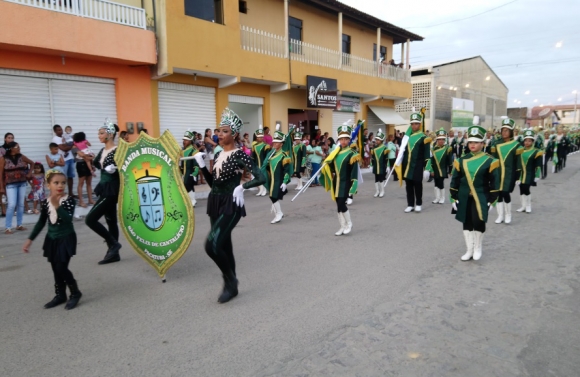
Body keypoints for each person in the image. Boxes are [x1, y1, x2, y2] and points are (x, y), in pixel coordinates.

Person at [194, 108, 266, 303]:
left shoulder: (240, 155)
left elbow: (262, 177)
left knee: (212, 245)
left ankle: (231, 280)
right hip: (215, 202)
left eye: (224, 131)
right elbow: (213, 184)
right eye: (218, 130)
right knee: (224, 245)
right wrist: (201, 165)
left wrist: (243, 188)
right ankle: (230, 285)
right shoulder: (217, 155)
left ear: (233, 134)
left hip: (231, 204)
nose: (219, 134)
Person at [22, 169, 82, 310]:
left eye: (63, 183)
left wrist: (57, 206)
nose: (60, 185)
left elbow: (68, 219)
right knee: (55, 269)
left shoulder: (69, 201)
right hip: (52, 239)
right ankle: (60, 295)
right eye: (56, 183)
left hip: (66, 238)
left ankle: (75, 292)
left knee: (61, 267)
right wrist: (30, 240)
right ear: (48, 185)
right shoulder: (45, 202)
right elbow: (41, 222)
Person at [450, 125, 499, 261]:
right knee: (466, 222)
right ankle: (469, 250)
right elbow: (455, 180)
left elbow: (494, 182)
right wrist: (453, 197)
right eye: (470, 142)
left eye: (476, 142)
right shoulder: (461, 160)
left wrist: (492, 200)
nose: (473, 145)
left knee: (478, 221)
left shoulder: (490, 161)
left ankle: (477, 247)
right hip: (464, 196)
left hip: (481, 196)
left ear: (483, 144)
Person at [84, 121, 123, 265]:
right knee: (110, 220)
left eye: (102, 133)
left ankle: (113, 244)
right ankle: (114, 254)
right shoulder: (102, 151)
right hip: (104, 186)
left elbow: (127, 168)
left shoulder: (118, 150)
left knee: (90, 219)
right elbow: (96, 163)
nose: (99, 136)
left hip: (112, 189)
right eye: (98, 133)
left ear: (110, 134)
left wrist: (117, 169)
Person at [319, 124, 360, 236]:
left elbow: (354, 171)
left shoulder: (352, 154)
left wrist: (353, 185)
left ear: (349, 139)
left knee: (342, 204)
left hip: (346, 182)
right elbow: (333, 168)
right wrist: (327, 163)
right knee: (338, 205)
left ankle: (349, 223)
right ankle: (342, 226)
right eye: (341, 139)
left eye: (346, 139)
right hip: (336, 182)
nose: (343, 141)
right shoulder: (335, 153)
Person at [490, 118, 524, 224]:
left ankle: (508, 214)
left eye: (506, 130)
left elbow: (518, 162)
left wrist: (518, 176)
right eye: (503, 130)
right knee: (498, 194)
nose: (504, 132)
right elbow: (493, 159)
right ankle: (500, 215)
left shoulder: (516, 145)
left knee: (505, 193)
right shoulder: (496, 143)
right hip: (498, 173)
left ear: (511, 132)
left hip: (509, 174)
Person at [401, 111, 432, 213]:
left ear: (420, 124)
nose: (414, 126)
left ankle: (418, 203)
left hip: (418, 165)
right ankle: (410, 204)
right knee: (408, 185)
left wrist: (427, 168)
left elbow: (427, 155)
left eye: (416, 123)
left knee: (417, 184)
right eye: (412, 124)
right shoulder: (407, 137)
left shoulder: (424, 138)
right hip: (407, 165)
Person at [0, 142, 34, 233]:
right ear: (11, 148)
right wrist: (1, 187)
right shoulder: (4, 159)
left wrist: (29, 173)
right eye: (16, 147)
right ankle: (8, 227)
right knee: (11, 204)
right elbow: (0, 173)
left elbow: (32, 163)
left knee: (21, 204)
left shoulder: (21, 156)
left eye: (19, 146)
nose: (19, 148)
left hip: (22, 182)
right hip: (10, 184)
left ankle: (19, 224)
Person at [265, 127, 292, 224]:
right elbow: (268, 167)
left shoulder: (284, 156)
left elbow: (287, 171)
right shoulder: (271, 154)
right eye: (274, 142)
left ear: (281, 144)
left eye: (277, 142)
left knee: (273, 196)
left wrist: (285, 182)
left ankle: (279, 213)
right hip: (272, 179)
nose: (274, 144)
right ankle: (278, 213)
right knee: (272, 196)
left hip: (279, 179)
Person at [515, 130, 543, 214]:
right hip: (520, 174)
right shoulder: (520, 150)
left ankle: (528, 205)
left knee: (526, 189)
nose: (527, 142)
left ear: (532, 141)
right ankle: (523, 206)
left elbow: (538, 164)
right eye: (525, 140)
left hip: (529, 173)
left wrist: (537, 175)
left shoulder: (536, 151)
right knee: (521, 189)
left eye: (529, 141)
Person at [427, 128, 453, 204]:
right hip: (435, 169)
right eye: (439, 139)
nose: (441, 141)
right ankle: (437, 198)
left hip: (443, 169)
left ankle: (442, 198)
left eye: (443, 139)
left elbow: (450, 161)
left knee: (440, 183)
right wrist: (431, 170)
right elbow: (431, 160)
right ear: (437, 140)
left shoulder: (447, 148)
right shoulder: (433, 149)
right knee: (436, 183)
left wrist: (450, 170)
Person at [52, 125, 75, 197]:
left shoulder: (65, 136)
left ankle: (70, 193)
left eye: (61, 129)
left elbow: (67, 145)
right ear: (55, 131)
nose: (61, 131)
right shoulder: (55, 139)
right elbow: (63, 148)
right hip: (63, 161)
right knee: (62, 178)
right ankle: (61, 194)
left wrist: (69, 145)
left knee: (70, 177)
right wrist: (72, 145)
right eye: (58, 130)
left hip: (70, 158)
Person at [181, 130, 201, 207]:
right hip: (185, 172)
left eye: (186, 140)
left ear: (190, 141)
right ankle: (191, 200)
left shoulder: (194, 151)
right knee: (189, 186)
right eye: (183, 140)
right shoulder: (183, 151)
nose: (184, 141)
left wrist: (195, 173)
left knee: (187, 185)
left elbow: (196, 164)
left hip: (190, 172)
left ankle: (192, 200)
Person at [251, 125, 271, 197]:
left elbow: (268, 155)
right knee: (258, 178)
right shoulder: (255, 146)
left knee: (263, 177)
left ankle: (265, 189)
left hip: (263, 164)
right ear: (256, 137)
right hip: (257, 164)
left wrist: (267, 163)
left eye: (261, 136)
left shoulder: (266, 146)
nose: (260, 138)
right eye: (259, 137)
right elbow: (253, 156)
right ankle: (261, 190)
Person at [370, 129, 390, 198]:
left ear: (381, 141)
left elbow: (387, 158)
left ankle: (382, 191)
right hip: (376, 166)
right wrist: (371, 165)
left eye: (378, 140)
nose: (377, 141)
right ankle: (377, 191)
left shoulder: (385, 148)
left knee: (381, 179)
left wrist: (388, 166)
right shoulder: (374, 148)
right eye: (376, 139)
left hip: (382, 166)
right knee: (376, 179)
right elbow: (372, 158)